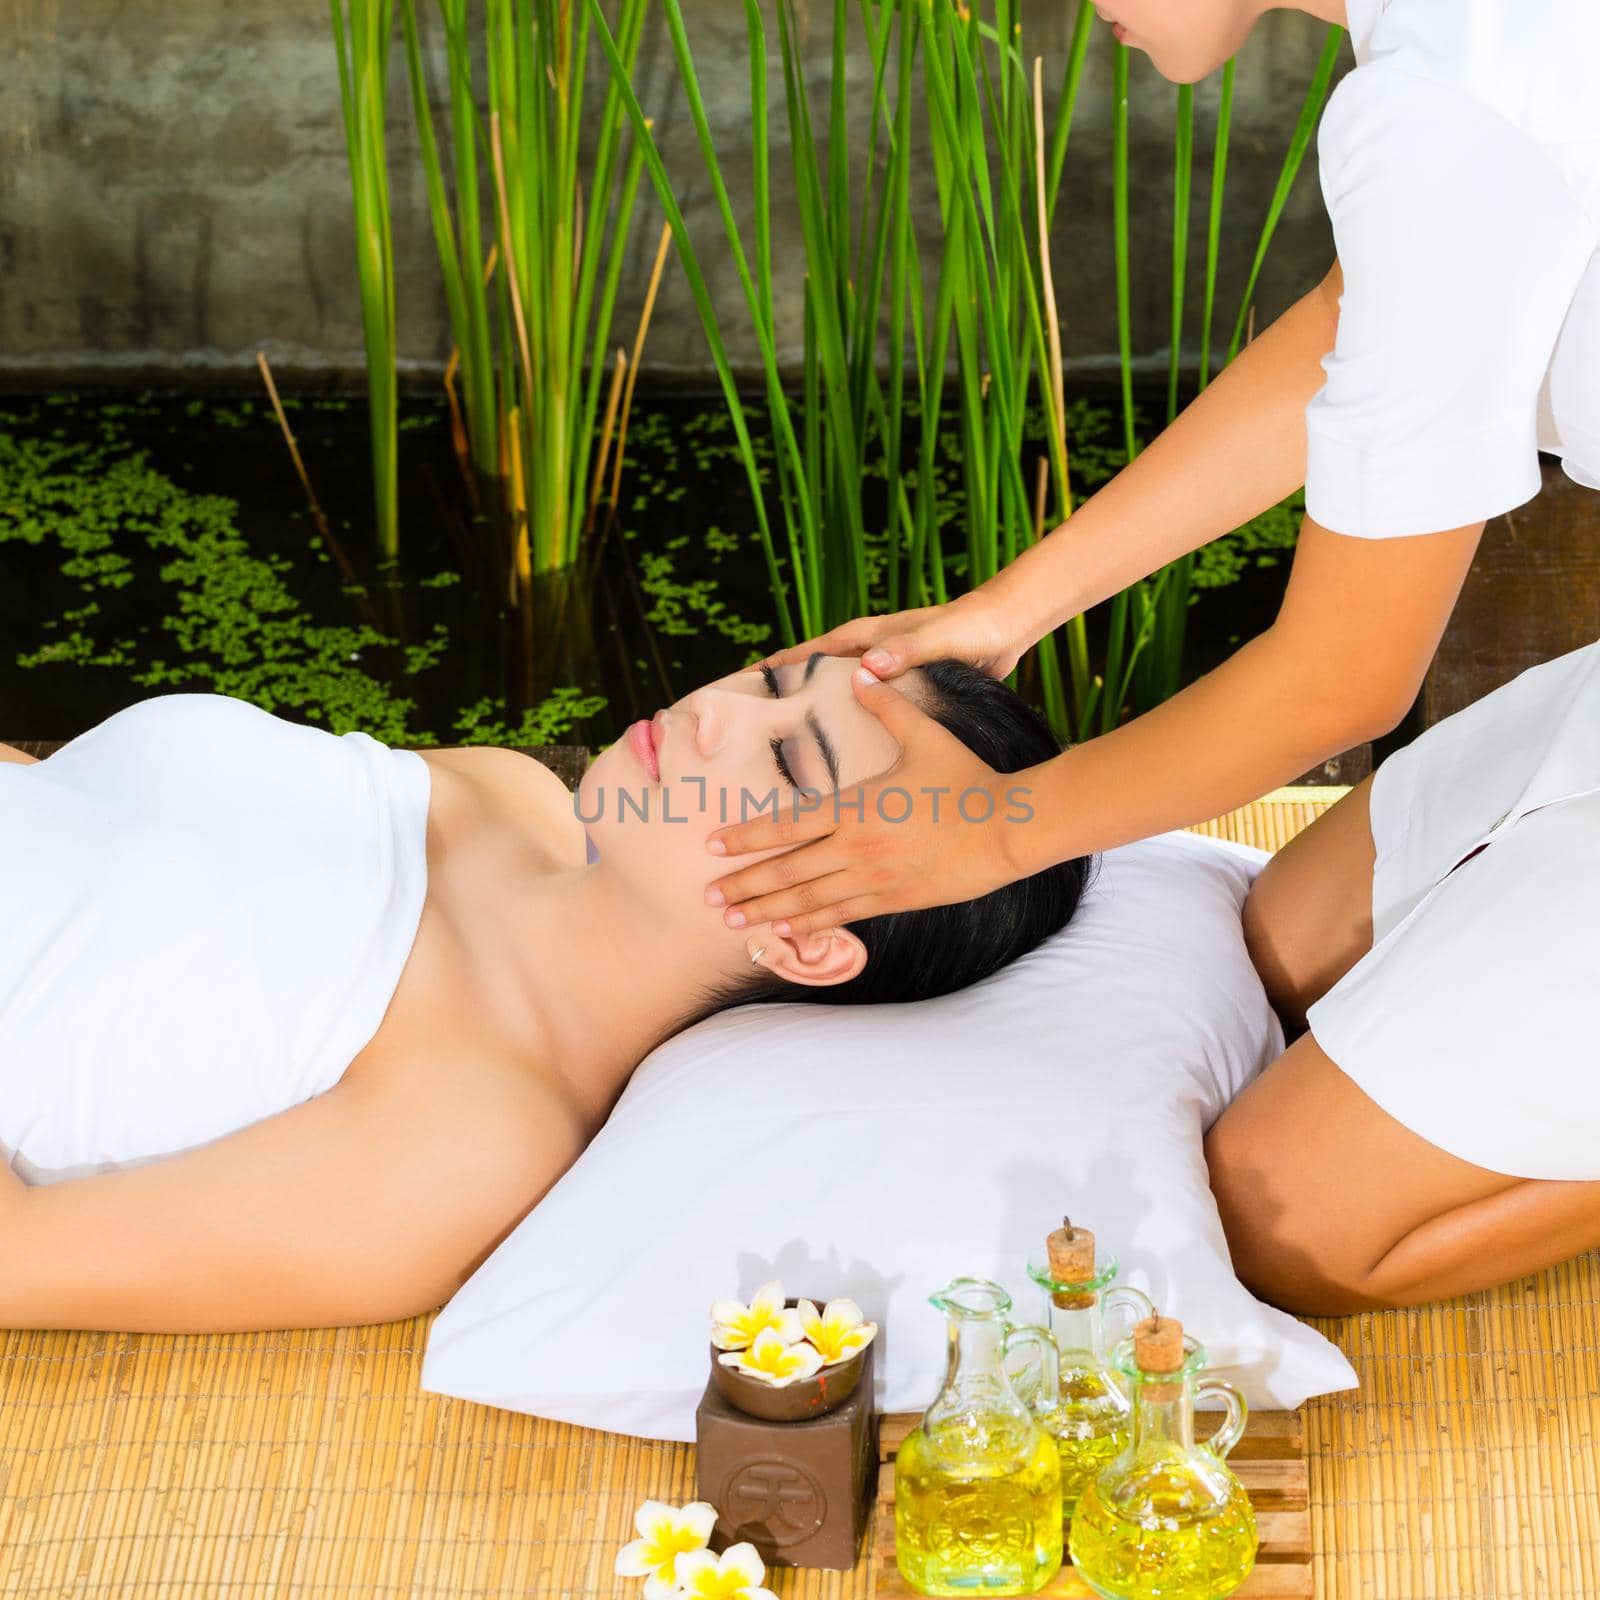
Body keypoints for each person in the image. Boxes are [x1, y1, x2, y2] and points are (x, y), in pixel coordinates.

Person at [697, 0, 1600, 1311]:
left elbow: (1346, 685)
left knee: (1286, 1223)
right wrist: (1014, 608)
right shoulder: (1462, 49)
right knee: (1281, 950)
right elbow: (1369, 314)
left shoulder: (1450, 107)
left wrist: (1002, 831)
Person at [0, 658, 1089, 1336]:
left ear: (805, 940)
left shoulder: (466, 1145)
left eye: (788, 762)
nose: (711, 711)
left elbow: (23, 1261)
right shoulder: (506, 789)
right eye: (768, 681)